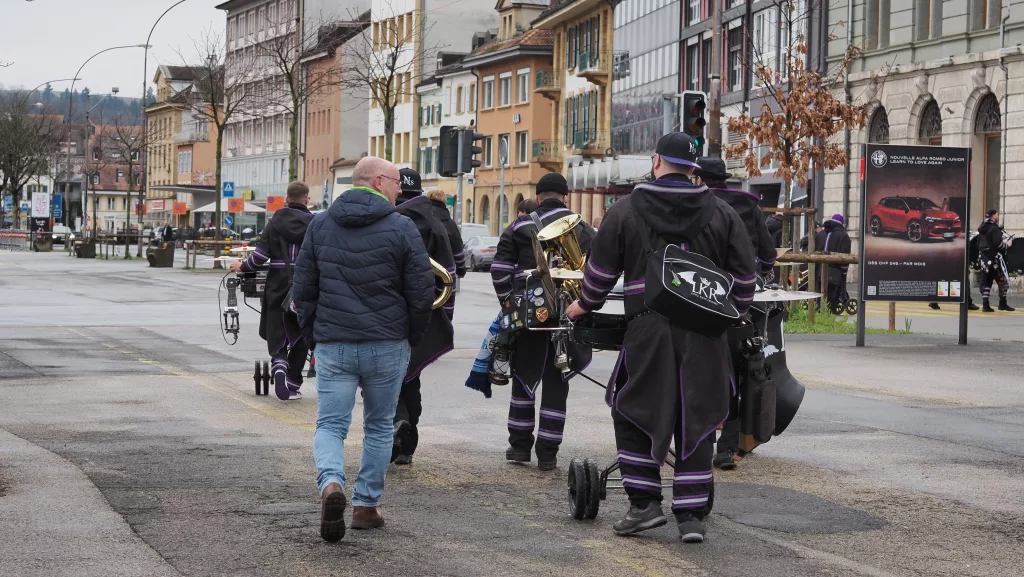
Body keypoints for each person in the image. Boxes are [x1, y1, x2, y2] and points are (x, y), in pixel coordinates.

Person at [565, 132, 756, 543]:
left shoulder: (625, 210)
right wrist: (729, 314)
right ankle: (691, 516)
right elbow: (745, 280)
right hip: (705, 334)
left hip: (648, 330)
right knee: (698, 416)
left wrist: (583, 304)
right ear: (693, 168)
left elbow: (600, 273)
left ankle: (644, 506)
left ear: (655, 162)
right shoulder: (723, 212)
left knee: (632, 409)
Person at [292, 157, 434, 542]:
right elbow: (422, 291)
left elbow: (302, 289)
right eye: (396, 182)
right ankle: (366, 506)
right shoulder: (401, 226)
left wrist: (314, 335)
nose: (400, 189)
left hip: (334, 342)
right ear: (377, 181)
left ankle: (331, 484)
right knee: (379, 425)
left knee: (330, 425)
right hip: (387, 343)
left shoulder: (320, 224)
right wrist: (410, 335)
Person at [492, 173, 594, 471]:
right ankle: (548, 453)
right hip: (568, 316)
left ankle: (519, 447)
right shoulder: (584, 227)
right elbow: (597, 273)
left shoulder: (519, 226)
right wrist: (585, 306)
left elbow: (499, 270)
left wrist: (509, 303)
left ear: (537, 198)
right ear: (565, 197)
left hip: (529, 315)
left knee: (524, 376)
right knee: (557, 382)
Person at [693, 157, 775, 471]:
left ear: (698, 178)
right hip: (741, 303)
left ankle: (696, 444)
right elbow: (768, 254)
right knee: (738, 373)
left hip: (699, 301)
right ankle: (728, 449)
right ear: (725, 179)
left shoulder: (692, 205)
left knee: (699, 374)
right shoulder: (748, 204)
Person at [391, 169, 457, 465]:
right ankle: (408, 444)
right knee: (412, 376)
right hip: (424, 310)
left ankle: (397, 422)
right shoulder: (434, 222)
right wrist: (445, 316)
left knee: (385, 375)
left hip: (387, 309)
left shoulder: (387, 219)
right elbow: (449, 272)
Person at [230, 182, 314, 401]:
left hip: (278, 283)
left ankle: (279, 363)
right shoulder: (315, 224)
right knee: (302, 331)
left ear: (287, 199)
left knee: (277, 326)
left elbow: (259, 257)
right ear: (306, 199)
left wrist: (242, 267)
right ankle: (293, 384)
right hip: (306, 284)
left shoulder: (274, 223)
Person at [426, 189, 467, 318]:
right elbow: (458, 250)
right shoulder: (450, 223)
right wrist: (461, 270)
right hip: (445, 272)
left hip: (426, 271)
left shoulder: (424, 219)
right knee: (444, 311)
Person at [978, 209, 1015, 312]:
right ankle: (1002, 303)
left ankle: (985, 305)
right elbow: (998, 244)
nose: (998, 216)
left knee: (987, 282)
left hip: (984, 259)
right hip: (995, 259)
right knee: (1003, 281)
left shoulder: (982, 228)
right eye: (997, 214)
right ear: (993, 216)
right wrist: (1007, 244)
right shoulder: (994, 229)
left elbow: (978, 244)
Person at [817, 214, 852, 306]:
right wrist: (844, 271)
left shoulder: (821, 234)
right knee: (832, 294)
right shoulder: (844, 236)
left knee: (820, 293)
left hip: (820, 270)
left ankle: (820, 307)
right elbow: (845, 255)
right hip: (835, 271)